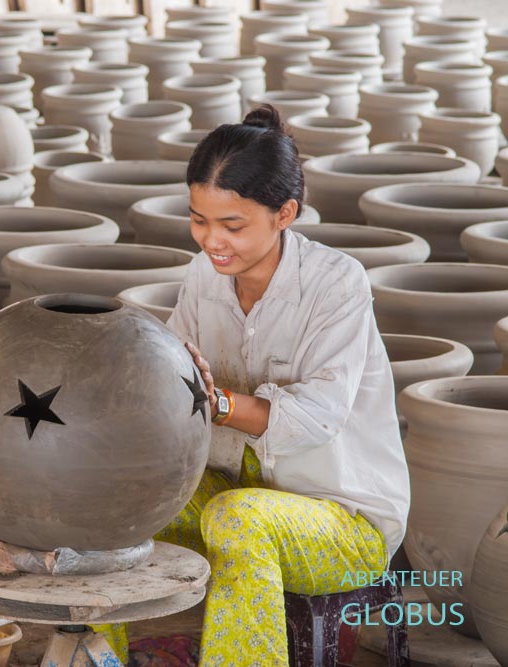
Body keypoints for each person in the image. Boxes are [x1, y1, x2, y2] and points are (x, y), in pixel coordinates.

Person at [157, 105, 411, 664]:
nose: (211, 241)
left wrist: (216, 402)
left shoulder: (337, 283)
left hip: (342, 523)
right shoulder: (203, 275)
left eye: (233, 226)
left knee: (237, 519)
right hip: (233, 491)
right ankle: (97, 655)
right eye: (198, 220)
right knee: (130, 492)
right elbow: (171, 372)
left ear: (285, 213)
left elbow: (316, 418)